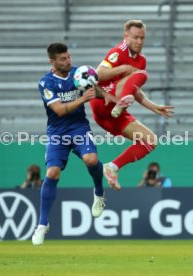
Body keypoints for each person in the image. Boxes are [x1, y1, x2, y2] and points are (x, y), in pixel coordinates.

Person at [32, 43, 106, 246]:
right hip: (57, 132)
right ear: (52, 62)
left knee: (91, 160)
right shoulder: (46, 82)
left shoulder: (79, 74)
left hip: (79, 128)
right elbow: (59, 110)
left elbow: (98, 94)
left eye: (69, 57)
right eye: (63, 59)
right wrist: (83, 98)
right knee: (52, 173)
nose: (68, 61)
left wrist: (101, 92)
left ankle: (99, 193)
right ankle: (42, 224)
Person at [90, 19, 174, 190]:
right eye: (135, 37)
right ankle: (122, 102)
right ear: (126, 36)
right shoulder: (118, 51)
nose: (139, 42)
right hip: (102, 101)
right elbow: (98, 74)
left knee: (150, 141)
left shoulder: (141, 60)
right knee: (141, 75)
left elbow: (134, 88)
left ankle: (112, 167)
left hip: (114, 113)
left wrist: (153, 106)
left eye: (142, 38)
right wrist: (123, 69)